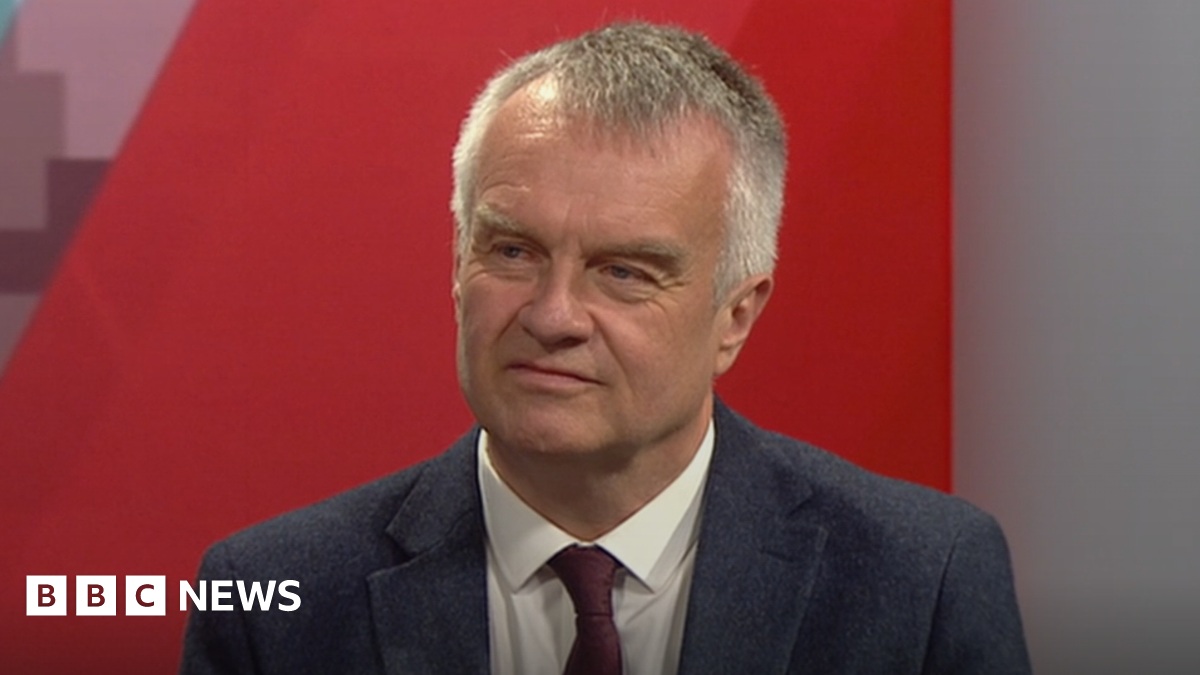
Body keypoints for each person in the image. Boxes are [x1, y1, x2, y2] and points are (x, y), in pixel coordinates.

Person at [180, 22, 1030, 675]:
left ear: (735, 315)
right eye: (512, 251)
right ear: (457, 261)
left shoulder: (923, 584)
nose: (553, 314)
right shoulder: (274, 604)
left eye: (623, 271)